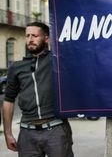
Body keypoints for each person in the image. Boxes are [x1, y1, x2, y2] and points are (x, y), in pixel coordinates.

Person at [2, 22, 74, 156]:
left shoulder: (57, 60)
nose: (30, 40)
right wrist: (8, 133)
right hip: (27, 133)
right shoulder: (16, 67)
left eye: (34, 36)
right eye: (27, 36)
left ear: (46, 38)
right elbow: (8, 101)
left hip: (56, 129)